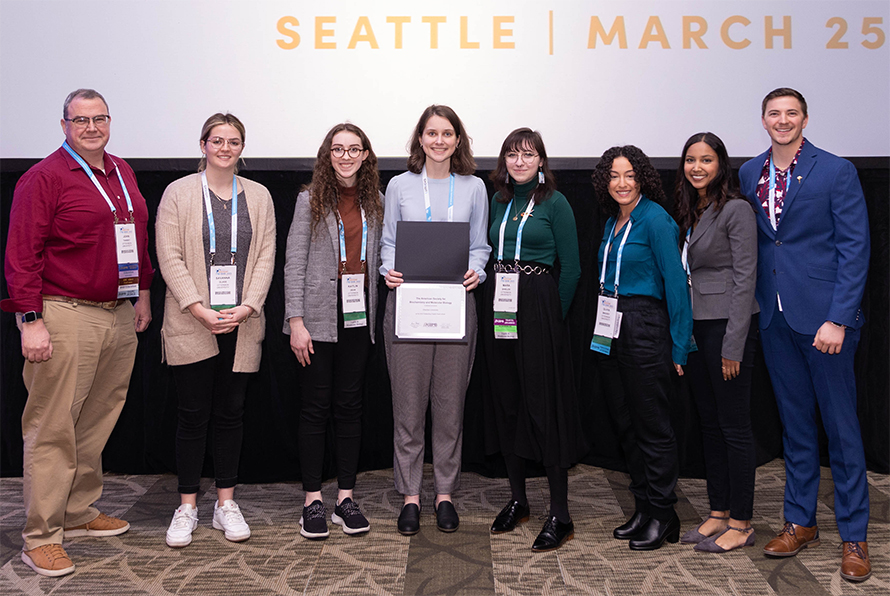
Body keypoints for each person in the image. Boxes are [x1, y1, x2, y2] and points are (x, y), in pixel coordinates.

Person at [2, 88, 153, 577]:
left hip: (117, 311)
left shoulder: (122, 171)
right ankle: (40, 535)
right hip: (63, 312)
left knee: (96, 418)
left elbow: (137, 239)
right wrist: (31, 321)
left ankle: (77, 511)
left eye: (100, 118)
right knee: (52, 426)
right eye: (81, 120)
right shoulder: (42, 177)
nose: (92, 127)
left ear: (110, 122)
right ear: (64, 124)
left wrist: (142, 295)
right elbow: (21, 256)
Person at [739, 88, 871, 581]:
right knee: (795, 428)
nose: (782, 120)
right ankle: (800, 521)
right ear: (763, 120)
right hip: (773, 319)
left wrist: (839, 318)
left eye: (791, 113)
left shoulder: (836, 170)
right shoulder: (751, 173)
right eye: (774, 113)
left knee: (841, 431)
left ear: (805, 119)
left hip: (825, 325)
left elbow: (855, 249)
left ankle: (854, 536)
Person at [155, 113, 276, 548]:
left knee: (231, 415)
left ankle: (226, 503)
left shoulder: (259, 196)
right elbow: (168, 255)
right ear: (203, 144)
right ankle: (186, 506)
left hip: (242, 322)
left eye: (234, 141)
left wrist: (247, 306)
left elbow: (265, 255)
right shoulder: (179, 192)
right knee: (192, 416)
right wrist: (198, 307)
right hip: (192, 321)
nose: (225, 148)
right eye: (217, 140)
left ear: (242, 147)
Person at [380, 105, 490, 535]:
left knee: (450, 409)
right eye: (431, 133)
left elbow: (481, 245)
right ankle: (410, 496)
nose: (439, 141)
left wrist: (477, 271)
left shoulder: (475, 187)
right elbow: (389, 242)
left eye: (447, 133)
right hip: (407, 305)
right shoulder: (400, 186)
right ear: (419, 139)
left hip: (455, 307)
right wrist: (387, 270)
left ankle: (444, 494)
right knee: (407, 408)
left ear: (458, 140)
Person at [481, 128, 583, 551]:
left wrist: (551, 320)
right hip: (500, 304)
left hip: (538, 305)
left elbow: (572, 269)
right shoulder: (499, 200)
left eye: (528, 154)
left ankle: (560, 512)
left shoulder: (555, 204)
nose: (519, 161)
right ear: (503, 160)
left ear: (542, 161)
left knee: (544, 406)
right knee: (507, 401)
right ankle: (518, 499)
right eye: (512, 154)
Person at [283, 123, 383, 539]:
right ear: (328, 154)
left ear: (364, 155)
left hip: (359, 318)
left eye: (353, 149)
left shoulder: (376, 201)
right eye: (338, 149)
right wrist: (296, 323)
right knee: (315, 408)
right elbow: (294, 264)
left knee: (350, 407)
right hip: (318, 318)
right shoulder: (310, 200)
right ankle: (312, 501)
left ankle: (345, 497)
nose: (346, 156)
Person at [591, 145, 691, 551]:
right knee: (627, 425)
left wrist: (681, 347)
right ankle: (645, 507)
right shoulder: (614, 221)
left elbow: (677, 285)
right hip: (612, 327)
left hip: (646, 326)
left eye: (629, 175)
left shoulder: (656, 220)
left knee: (653, 427)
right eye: (614, 176)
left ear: (643, 178)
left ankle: (665, 514)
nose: (621, 183)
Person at [672, 132, 759, 553]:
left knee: (735, 429)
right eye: (690, 160)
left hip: (728, 329)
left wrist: (733, 345)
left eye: (706, 160)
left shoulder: (736, 209)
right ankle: (719, 512)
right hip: (699, 329)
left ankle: (742, 522)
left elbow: (746, 279)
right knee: (710, 425)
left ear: (721, 164)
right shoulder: (694, 209)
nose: (697, 167)